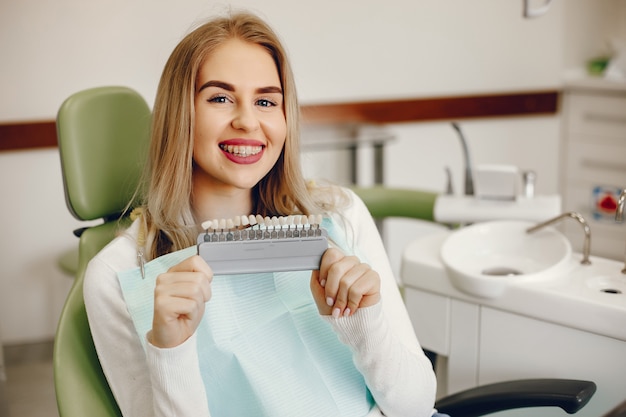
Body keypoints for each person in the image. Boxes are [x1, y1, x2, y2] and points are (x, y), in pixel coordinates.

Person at [83, 10, 437, 417]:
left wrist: (364, 323)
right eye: (219, 98)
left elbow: (416, 407)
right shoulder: (118, 274)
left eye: (266, 101)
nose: (248, 121)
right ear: (180, 114)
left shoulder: (340, 216)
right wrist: (171, 351)